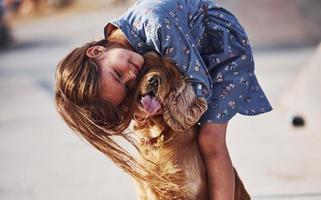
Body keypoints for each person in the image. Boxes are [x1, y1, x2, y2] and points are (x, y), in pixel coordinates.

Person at [55, 0, 272, 199]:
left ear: (95, 51)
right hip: (191, 47)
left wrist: (162, 107)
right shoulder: (120, 48)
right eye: (128, 87)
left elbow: (199, 90)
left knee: (210, 138)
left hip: (223, 50)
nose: (131, 76)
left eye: (117, 75)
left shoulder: (159, 26)